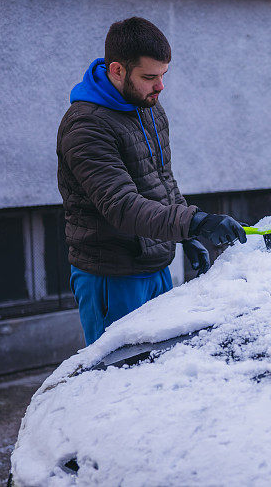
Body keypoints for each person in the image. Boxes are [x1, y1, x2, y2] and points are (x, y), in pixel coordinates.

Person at [57, 17, 247, 345]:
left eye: (163, 75)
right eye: (149, 77)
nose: (160, 87)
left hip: (156, 265)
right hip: (113, 276)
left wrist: (185, 236)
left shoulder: (146, 107)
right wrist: (195, 222)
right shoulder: (87, 127)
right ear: (117, 70)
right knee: (122, 380)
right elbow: (123, 207)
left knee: (160, 370)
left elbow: (161, 180)